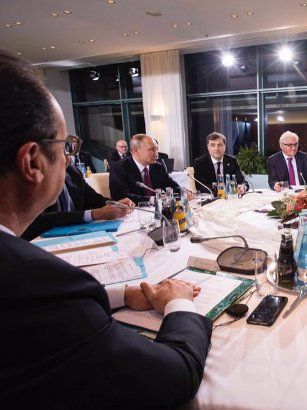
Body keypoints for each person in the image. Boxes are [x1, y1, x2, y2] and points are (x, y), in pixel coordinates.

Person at [0, 50, 211, 408]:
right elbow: (171, 378)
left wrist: (121, 295)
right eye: (65, 146)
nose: (69, 158)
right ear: (33, 162)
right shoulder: (36, 283)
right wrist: (177, 301)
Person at [21, 163, 134, 240]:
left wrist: (116, 204)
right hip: (44, 240)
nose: (67, 157)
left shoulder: (71, 170)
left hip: (79, 236)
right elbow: (41, 220)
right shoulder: (33, 176)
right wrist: (94, 215)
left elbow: (93, 199)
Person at [109, 133, 182, 202]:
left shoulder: (158, 167)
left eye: (157, 149)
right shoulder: (119, 168)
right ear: (136, 150)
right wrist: (151, 200)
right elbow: (120, 197)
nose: (156, 154)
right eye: (151, 149)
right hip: (133, 210)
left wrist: (183, 192)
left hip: (158, 209)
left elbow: (173, 187)